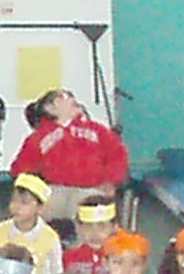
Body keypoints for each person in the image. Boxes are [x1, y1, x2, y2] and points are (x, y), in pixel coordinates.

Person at [10, 90, 130, 222]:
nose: (71, 97)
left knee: (92, 214)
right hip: (54, 190)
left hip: (91, 189)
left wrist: (110, 181)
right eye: (62, 97)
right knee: (30, 210)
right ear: (49, 108)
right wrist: (33, 190)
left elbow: (118, 155)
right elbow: (21, 167)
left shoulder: (97, 130)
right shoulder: (38, 137)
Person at [0, 173, 64, 274]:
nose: (16, 206)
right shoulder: (1, 231)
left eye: (24, 202)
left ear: (40, 208)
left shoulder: (50, 237)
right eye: (14, 200)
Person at [62, 197, 118, 274]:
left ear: (114, 227)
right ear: (79, 228)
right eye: (88, 226)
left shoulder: (122, 260)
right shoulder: (68, 257)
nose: (94, 232)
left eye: (102, 226)